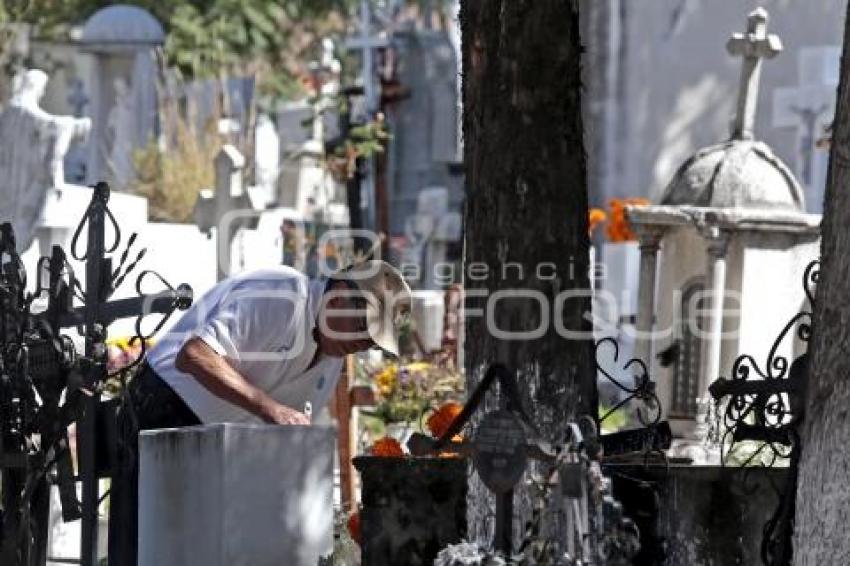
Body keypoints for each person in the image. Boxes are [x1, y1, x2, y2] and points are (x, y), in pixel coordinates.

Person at [109, 259, 411, 563]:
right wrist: (270, 408)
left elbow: (290, 430)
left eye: (370, 342)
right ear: (341, 294)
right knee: (141, 552)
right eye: (361, 327)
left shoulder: (332, 357)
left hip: (221, 446)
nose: (360, 344)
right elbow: (195, 356)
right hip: (160, 412)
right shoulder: (283, 293)